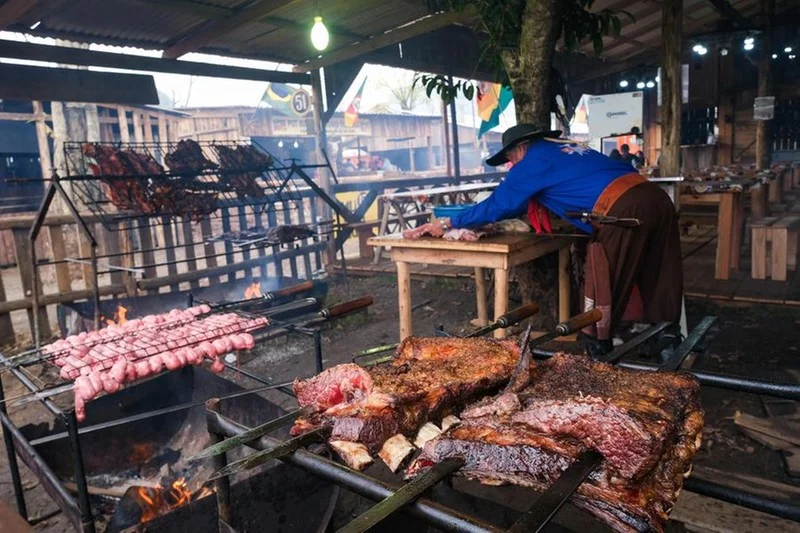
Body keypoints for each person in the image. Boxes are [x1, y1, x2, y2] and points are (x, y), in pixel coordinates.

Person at [405, 123, 683, 356]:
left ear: (522, 146)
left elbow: (499, 204)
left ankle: (598, 356)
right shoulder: (569, 150)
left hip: (622, 211)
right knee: (659, 274)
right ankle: (667, 345)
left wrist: (448, 222)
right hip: (656, 199)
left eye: (511, 157)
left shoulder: (533, 161)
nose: (511, 164)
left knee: (603, 283)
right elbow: (518, 204)